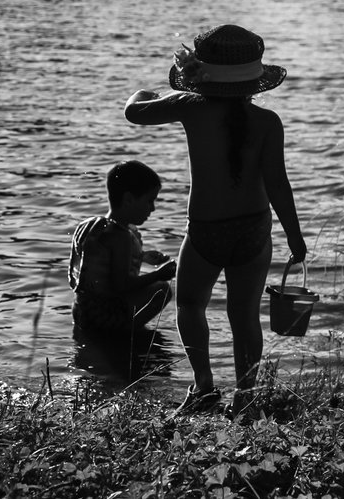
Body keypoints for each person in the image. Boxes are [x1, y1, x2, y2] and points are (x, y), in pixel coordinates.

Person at [124, 24, 307, 418]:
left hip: (206, 229)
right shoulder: (268, 122)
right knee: (245, 315)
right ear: (254, 81)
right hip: (254, 229)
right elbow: (278, 184)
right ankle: (246, 396)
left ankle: (204, 385)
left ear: (201, 76)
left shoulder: (189, 106)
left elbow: (133, 112)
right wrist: (295, 238)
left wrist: (147, 93)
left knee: (190, 304)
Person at [68, 160, 176, 334]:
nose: (153, 208)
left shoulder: (91, 226)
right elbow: (122, 285)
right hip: (104, 316)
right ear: (128, 200)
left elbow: (102, 266)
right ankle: (127, 334)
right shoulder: (121, 236)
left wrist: (141, 256)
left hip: (82, 310)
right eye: (149, 201)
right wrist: (158, 274)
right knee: (162, 290)